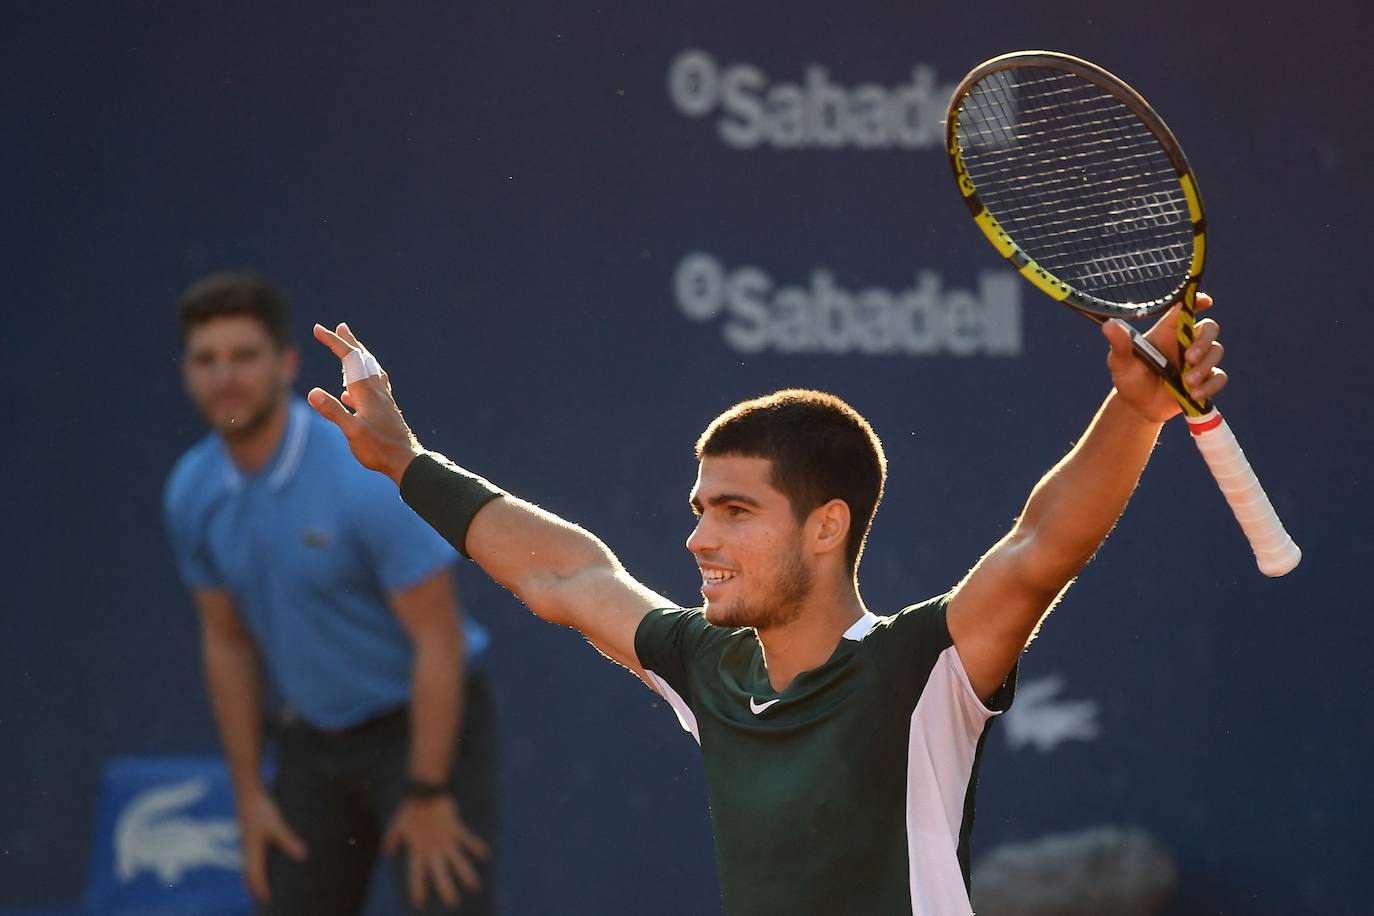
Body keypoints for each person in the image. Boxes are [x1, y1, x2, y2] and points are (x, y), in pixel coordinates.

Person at [306, 295, 1227, 915]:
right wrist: (407, 464)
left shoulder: (917, 669)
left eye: (735, 512)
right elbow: (569, 578)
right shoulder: (709, 669)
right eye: (700, 510)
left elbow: (1038, 549)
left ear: (827, 527)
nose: (700, 540)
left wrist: (1137, 412)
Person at [162, 272, 498, 916]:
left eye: (244, 356)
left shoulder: (359, 476)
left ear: (286, 365)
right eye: (206, 360)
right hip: (312, 741)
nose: (225, 376)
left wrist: (426, 791)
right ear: (187, 373)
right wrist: (248, 793)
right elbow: (226, 643)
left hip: (422, 733)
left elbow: (439, 639)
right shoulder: (190, 492)